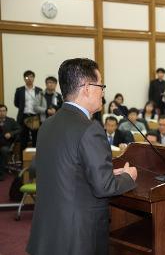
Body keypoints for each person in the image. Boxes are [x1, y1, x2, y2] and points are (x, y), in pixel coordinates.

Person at [27, 58, 137, 255]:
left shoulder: (47, 125)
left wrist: (108, 173)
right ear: (87, 88)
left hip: (49, 232)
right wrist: (128, 176)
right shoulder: (90, 129)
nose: (103, 92)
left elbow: (63, 171)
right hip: (78, 237)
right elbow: (104, 187)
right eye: (101, 85)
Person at [14, 70, 43, 150]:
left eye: (31, 77)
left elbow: (41, 103)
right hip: (23, 116)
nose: (29, 79)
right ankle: (23, 161)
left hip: (35, 117)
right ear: (24, 79)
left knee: (36, 139)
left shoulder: (39, 90)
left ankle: (35, 160)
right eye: (27, 77)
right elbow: (16, 103)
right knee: (23, 139)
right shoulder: (19, 90)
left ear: (34, 78)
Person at [0, 104, 20, 181]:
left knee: (3, 151)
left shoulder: (11, 121)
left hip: (6, 144)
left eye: (3, 111)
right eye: (0, 111)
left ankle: (1, 173)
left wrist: (11, 134)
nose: (1, 113)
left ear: (6, 112)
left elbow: (19, 129)